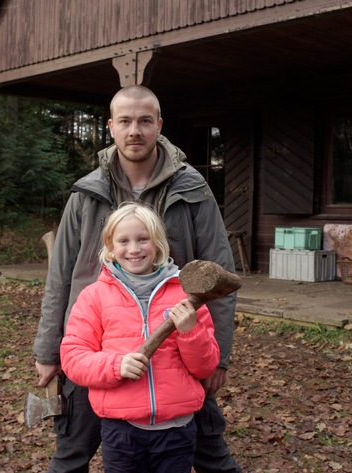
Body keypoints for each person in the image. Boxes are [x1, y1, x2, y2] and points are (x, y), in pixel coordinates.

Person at [33, 84, 242, 473]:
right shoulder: (86, 193)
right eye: (125, 121)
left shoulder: (193, 189)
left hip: (175, 359)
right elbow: (59, 277)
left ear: (159, 125)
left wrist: (220, 359)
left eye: (145, 121)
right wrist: (48, 350)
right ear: (111, 127)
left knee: (213, 458)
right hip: (98, 350)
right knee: (70, 458)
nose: (135, 131)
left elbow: (221, 279)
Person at [60, 202, 220, 473]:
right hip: (121, 430)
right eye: (123, 241)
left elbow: (205, 367)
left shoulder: (184, 294)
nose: (134, 249)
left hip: (177, 430)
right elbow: (74, 358)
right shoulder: (94, 297)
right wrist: (115, 365)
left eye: (143, 239)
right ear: (110, 247)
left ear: (157, 243)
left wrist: (191, 331)